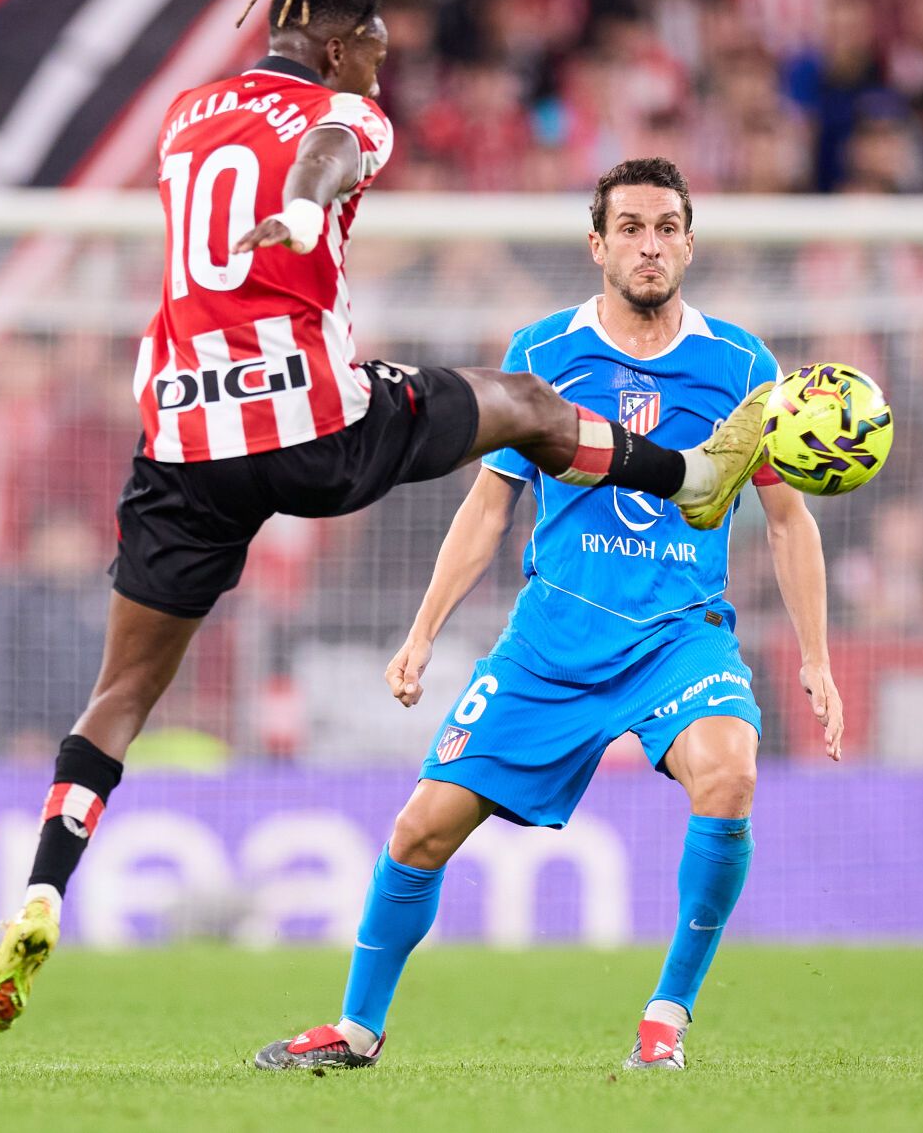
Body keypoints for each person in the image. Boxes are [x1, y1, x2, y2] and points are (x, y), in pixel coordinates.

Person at [0, 0, 774, 1037]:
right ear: (341, 44)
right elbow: (329, 151)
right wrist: (304, 205)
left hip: (183, 440)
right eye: (378, 51)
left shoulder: (185, 115)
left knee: (119, 698)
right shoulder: (350, 112)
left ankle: (44, 888)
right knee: (528, 406)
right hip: (310, 421)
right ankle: (684, 472)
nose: (382, 71)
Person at [250, 157, 844, 1072]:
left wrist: (816, 656)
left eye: (667, 228)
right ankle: (358, 1028)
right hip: (550, 645)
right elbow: (488, 506)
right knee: (420, 829)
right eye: (631, 228)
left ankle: (666, 1020)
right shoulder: (541, 353)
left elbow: (789, 520)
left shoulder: (743, 366)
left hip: (678, 637)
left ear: (690, 244)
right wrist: (422, 632)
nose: (651, 245)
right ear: (598, 244)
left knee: (729, 773)